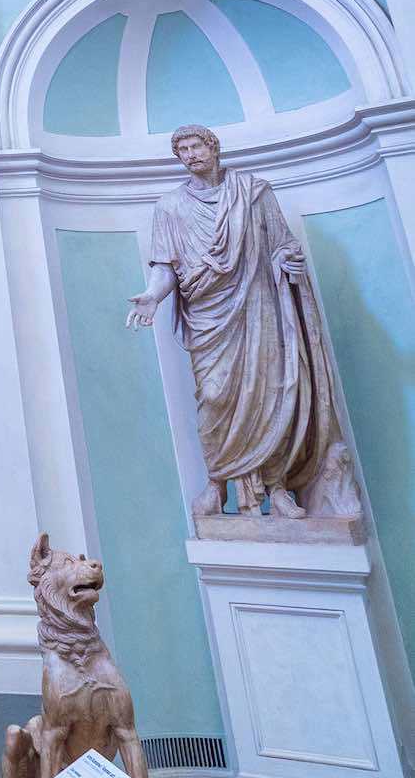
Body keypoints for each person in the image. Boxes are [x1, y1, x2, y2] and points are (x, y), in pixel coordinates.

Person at [126, 122, 339, 518]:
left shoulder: (254, 192)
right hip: (209, 318)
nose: (190, 155)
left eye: (195, 146)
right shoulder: (169, 206)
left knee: (272, 391)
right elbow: (165, 265)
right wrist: (153, 296)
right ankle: (217, 483)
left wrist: (287, 260)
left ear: (213, 147)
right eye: (182, 150)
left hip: (258, 307)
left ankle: (277, 487)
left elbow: (282, 243)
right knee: (214, 397)